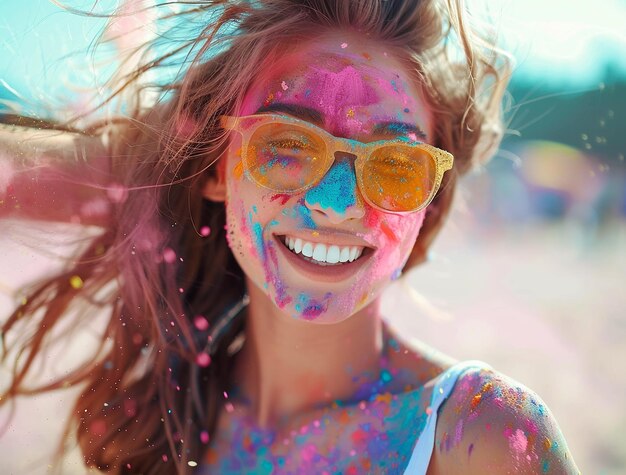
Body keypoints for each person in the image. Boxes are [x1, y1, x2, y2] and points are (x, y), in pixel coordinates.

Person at [0, 0, 580, 473]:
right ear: (217, 171)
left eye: (396, 164)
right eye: (286, 144)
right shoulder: (155, 428)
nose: (335, 205)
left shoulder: (482, 437)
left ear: (426, 204)